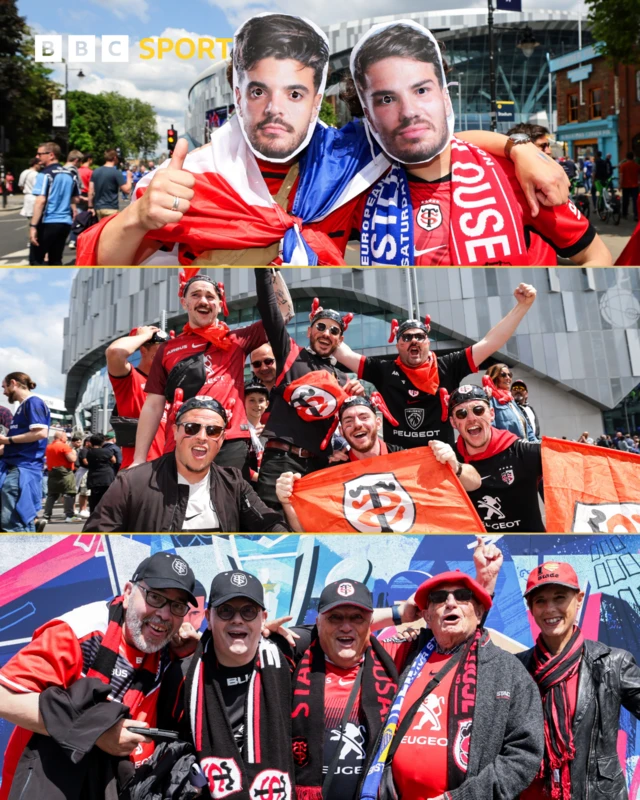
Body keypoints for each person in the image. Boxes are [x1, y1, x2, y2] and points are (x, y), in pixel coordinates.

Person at [78, 15, 571, 269]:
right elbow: (99, 261)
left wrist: (518, 148)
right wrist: (137, 216)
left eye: (294, 93)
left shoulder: (349, 158)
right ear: (237, 95)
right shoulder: (193, 176)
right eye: (258, 91)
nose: (275, 109)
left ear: (316, 98)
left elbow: (425, 136)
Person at [349, 21, 610, 267]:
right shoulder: (354, 189)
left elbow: (596, 255)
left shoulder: (513, 174)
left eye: (421, 90)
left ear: (445, 95)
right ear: (366, 112)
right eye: (386, 99)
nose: (409, 111)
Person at [0, 551, 199, 800]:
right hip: (47, 784)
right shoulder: (80, 631)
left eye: (177, 606)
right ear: (128, 593)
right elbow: (5, 697)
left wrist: (187, 653)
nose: (164, 614)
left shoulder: (167, 646)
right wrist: (97, 732)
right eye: (155, 597)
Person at [359, 570, 544, 800]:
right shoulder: (405, 653)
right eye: (438, 598)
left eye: (462, 596)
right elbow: (344, 632)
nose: (450, 603)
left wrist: (461, 798)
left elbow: (524, 753)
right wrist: (399, 614)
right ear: (426, 615)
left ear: (478, 613)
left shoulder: (508, 670)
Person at [335, 284, 537, 449]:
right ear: (398, 344)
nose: (414, 341)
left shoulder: (448, 366)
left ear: (428, 342)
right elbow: (343, 353)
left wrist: (522, 306)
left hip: (442, 460)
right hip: (399, 463)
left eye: (420, 336)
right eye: (407, 337)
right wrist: (328, 325)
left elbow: (490, 342)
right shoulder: (383, 370)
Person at [158, 570, 296, 800]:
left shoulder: (285, 656)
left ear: (263, 618)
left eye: (249, 611)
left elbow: (346, 625)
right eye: (225, 610)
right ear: (208, 618)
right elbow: (166, 749)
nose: (237, 619)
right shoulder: (182, 675)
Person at [518, 561, 640, 800]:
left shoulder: (612, 663)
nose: (550, 608)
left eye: (560, 597)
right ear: (530, 607)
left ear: (579, 598)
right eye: (540, 601)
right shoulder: (517, 667)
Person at [275, 394, 481, 531]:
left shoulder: (411, 461)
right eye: (348, 421)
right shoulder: (332, 475)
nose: (357, 424)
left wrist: (456, 466)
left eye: (364, 417)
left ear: (378, 422)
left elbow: (475, 483)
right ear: (342, 431)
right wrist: (287, 501)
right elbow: (305, 530)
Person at [83, 397, 289, 532]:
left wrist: (288, 506)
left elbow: (271, 528)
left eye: (213, 431)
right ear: (175, 431)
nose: (202, 437)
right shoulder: (132, 483)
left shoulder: (234, 483)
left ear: (222, 438)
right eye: (191, 428)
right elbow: (95, 542)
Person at [132, 274, 267, 473]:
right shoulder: (167, 349)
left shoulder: (238, 340)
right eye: (196, 295)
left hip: (229, 442)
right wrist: (139, 458)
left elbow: (281, 315)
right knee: (179, 503)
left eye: (210, 296)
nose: (203, 301)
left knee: (227, 503)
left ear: (220, 305)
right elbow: (153, 405)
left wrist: (267, 274)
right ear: (184, 302)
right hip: (182, 440)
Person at [255, 269, 364, 509]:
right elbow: (269, 311)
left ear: (340, 340)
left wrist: (357, 400)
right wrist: (262, 269)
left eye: (335, 331)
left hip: (317, 467)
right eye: (321, 327)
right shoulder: (290, 353)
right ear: (309, 331)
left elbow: (352, 427)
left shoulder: (345, 379)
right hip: (279, 461)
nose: (327, 333)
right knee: (271, 526)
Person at [449, 385, 545, 531]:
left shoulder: (523, 452)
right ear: (453, 423)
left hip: (531, 550)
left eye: (478, 410)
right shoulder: (447, 460)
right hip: (479, 550)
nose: (471, 419)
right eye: (461, 414)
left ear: (492, 414)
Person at [106, 325, 169, 469]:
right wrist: (143, 337)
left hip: (167, 472)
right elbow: (114, 352)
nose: (166, 355)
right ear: (143, 350)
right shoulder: (131, 380)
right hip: (140, 471)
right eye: (160, 349)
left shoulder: (168, 387)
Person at [0, 372, 50, 532]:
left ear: (13, 383)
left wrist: (7, 440)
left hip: (24, 467)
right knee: (15, 517)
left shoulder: (33, 403)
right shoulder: (24, 406)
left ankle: (24, 552)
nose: (4, 392)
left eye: (4, 386)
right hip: (18, 466)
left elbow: (41, 433)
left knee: (14, 519)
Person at [29, 142, 81, 266]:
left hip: (48, 221)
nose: (37, 157)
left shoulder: (45, 174)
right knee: (56, 260)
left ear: (51, 155)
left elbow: (40, 201)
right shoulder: (70, 174)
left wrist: (33, 226)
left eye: (40, 154)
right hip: (65, 223)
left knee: (36, 260)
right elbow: (76, 199)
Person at [484, 363, 537, 441]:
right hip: (508, 451)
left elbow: (528, 430)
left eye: (510, 374)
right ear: (494, 377)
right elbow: (491, 431)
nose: (508, 378)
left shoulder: (510, 400)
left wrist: (538, 446)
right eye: (503, 375)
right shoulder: (491, 399)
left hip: (524, 449)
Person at [41, 430, 79, 525]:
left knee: (52, 495)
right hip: (65, 473)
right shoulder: (64, 446)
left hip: (52, 472)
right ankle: (69, 516)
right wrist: (74, 452)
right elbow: (72, 459)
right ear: (61, 437)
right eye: (66, 437)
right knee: (69, 494)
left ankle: (46, 516)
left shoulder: (48, 447)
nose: (67, 438)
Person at [89, 149, 132, 219]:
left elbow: (90, 191)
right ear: (114, 157)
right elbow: (126, 190)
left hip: (98, 208)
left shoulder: (95, 171)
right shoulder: (116, 173)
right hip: (111, 208)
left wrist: (90, 206)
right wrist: (129, 178)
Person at [84, 433, 117, 514]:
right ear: (102, 442)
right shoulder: (107, 451)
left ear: (91, 442)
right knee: (107, 498)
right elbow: (114, 460)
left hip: (94, 478)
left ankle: (94, 516)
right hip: (106, 477)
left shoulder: (89, 452)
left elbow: (87, 462)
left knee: (94, 500)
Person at [619, 151, 640, 222]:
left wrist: (620, 185)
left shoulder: (623, 166)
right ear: (633, 157)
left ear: (626, 157)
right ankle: (636, 215)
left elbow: (621, 176)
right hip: (635, 186)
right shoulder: (636, 165)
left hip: (626, 186)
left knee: (625, 200)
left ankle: (624, 214)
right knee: (635, 201)